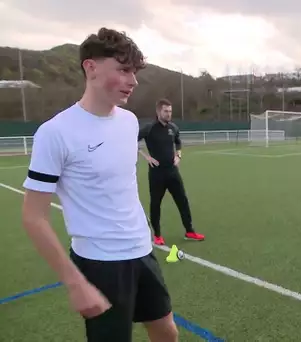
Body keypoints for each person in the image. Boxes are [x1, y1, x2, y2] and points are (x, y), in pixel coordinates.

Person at [21, 27, 178, 342]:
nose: (132, 80)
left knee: (166, 333)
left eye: (133, 71)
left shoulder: (129, 121)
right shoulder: (56, 132)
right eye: (122, 70)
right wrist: (75, 282)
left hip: (142, 250)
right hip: (100, 263)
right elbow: (33, 217)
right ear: (90, 67)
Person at [137, 99, 205, 245]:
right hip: (157, 174)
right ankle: (157, 235)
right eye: (166, 111)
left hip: (173, 172)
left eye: (170, 111)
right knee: (156, 204)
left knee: (183, 201)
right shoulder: (149, 128)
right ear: (158, 112)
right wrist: (146, 156)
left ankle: (189, 231)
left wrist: (178, 155)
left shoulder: (173, 128)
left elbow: (178, 141)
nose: (168, 114)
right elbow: (132, 140)